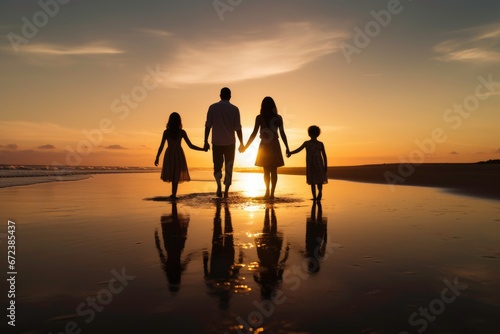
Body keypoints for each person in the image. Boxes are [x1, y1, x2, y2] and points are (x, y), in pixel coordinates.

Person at [242, 96, 290, 199]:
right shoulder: (278, 118)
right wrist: (287, 147)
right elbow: (282, 133)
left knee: (266, 170)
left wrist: (246, 147)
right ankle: (272, 193)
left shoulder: (259, 117)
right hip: (275, 144)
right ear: (273, 106)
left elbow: (254, 133)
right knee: (274, 170)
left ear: (262, 106)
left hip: (264, 145)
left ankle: (267, 191)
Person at [155, 112, 206, 199]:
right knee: (176, 173)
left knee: (172, 172)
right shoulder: (181, 132)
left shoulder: (166, 132)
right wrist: (202, 149)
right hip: (178, 153)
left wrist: (157, 157)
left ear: (170, 121)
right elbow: (191, 145)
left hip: (170, 153)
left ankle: (173, 194)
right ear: (179, 121)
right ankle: (174, 194)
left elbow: (161, 146)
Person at [204, 87, 244, 198]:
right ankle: (226, 191)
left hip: (216, 142)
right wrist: (242, 143)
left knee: (217, 167)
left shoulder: (212, 107)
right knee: (229, 168)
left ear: (220, 95)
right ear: (230, 96)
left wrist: (205, 141)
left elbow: (208, 125)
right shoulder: (235, 109)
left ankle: (219, 186)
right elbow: (238, 128)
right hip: (230, 143)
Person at [287, 125, 328, 200]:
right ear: (318, 134)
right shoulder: (320, 143)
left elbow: (298, 149)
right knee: (319, 180)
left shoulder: (307, 143)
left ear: (309, 134)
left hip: (311, 165)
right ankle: (320, 192)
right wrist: (325, 166)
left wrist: (290, 153)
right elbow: (324, 156)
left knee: (312, 182)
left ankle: (314, 197)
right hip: (319, 164)